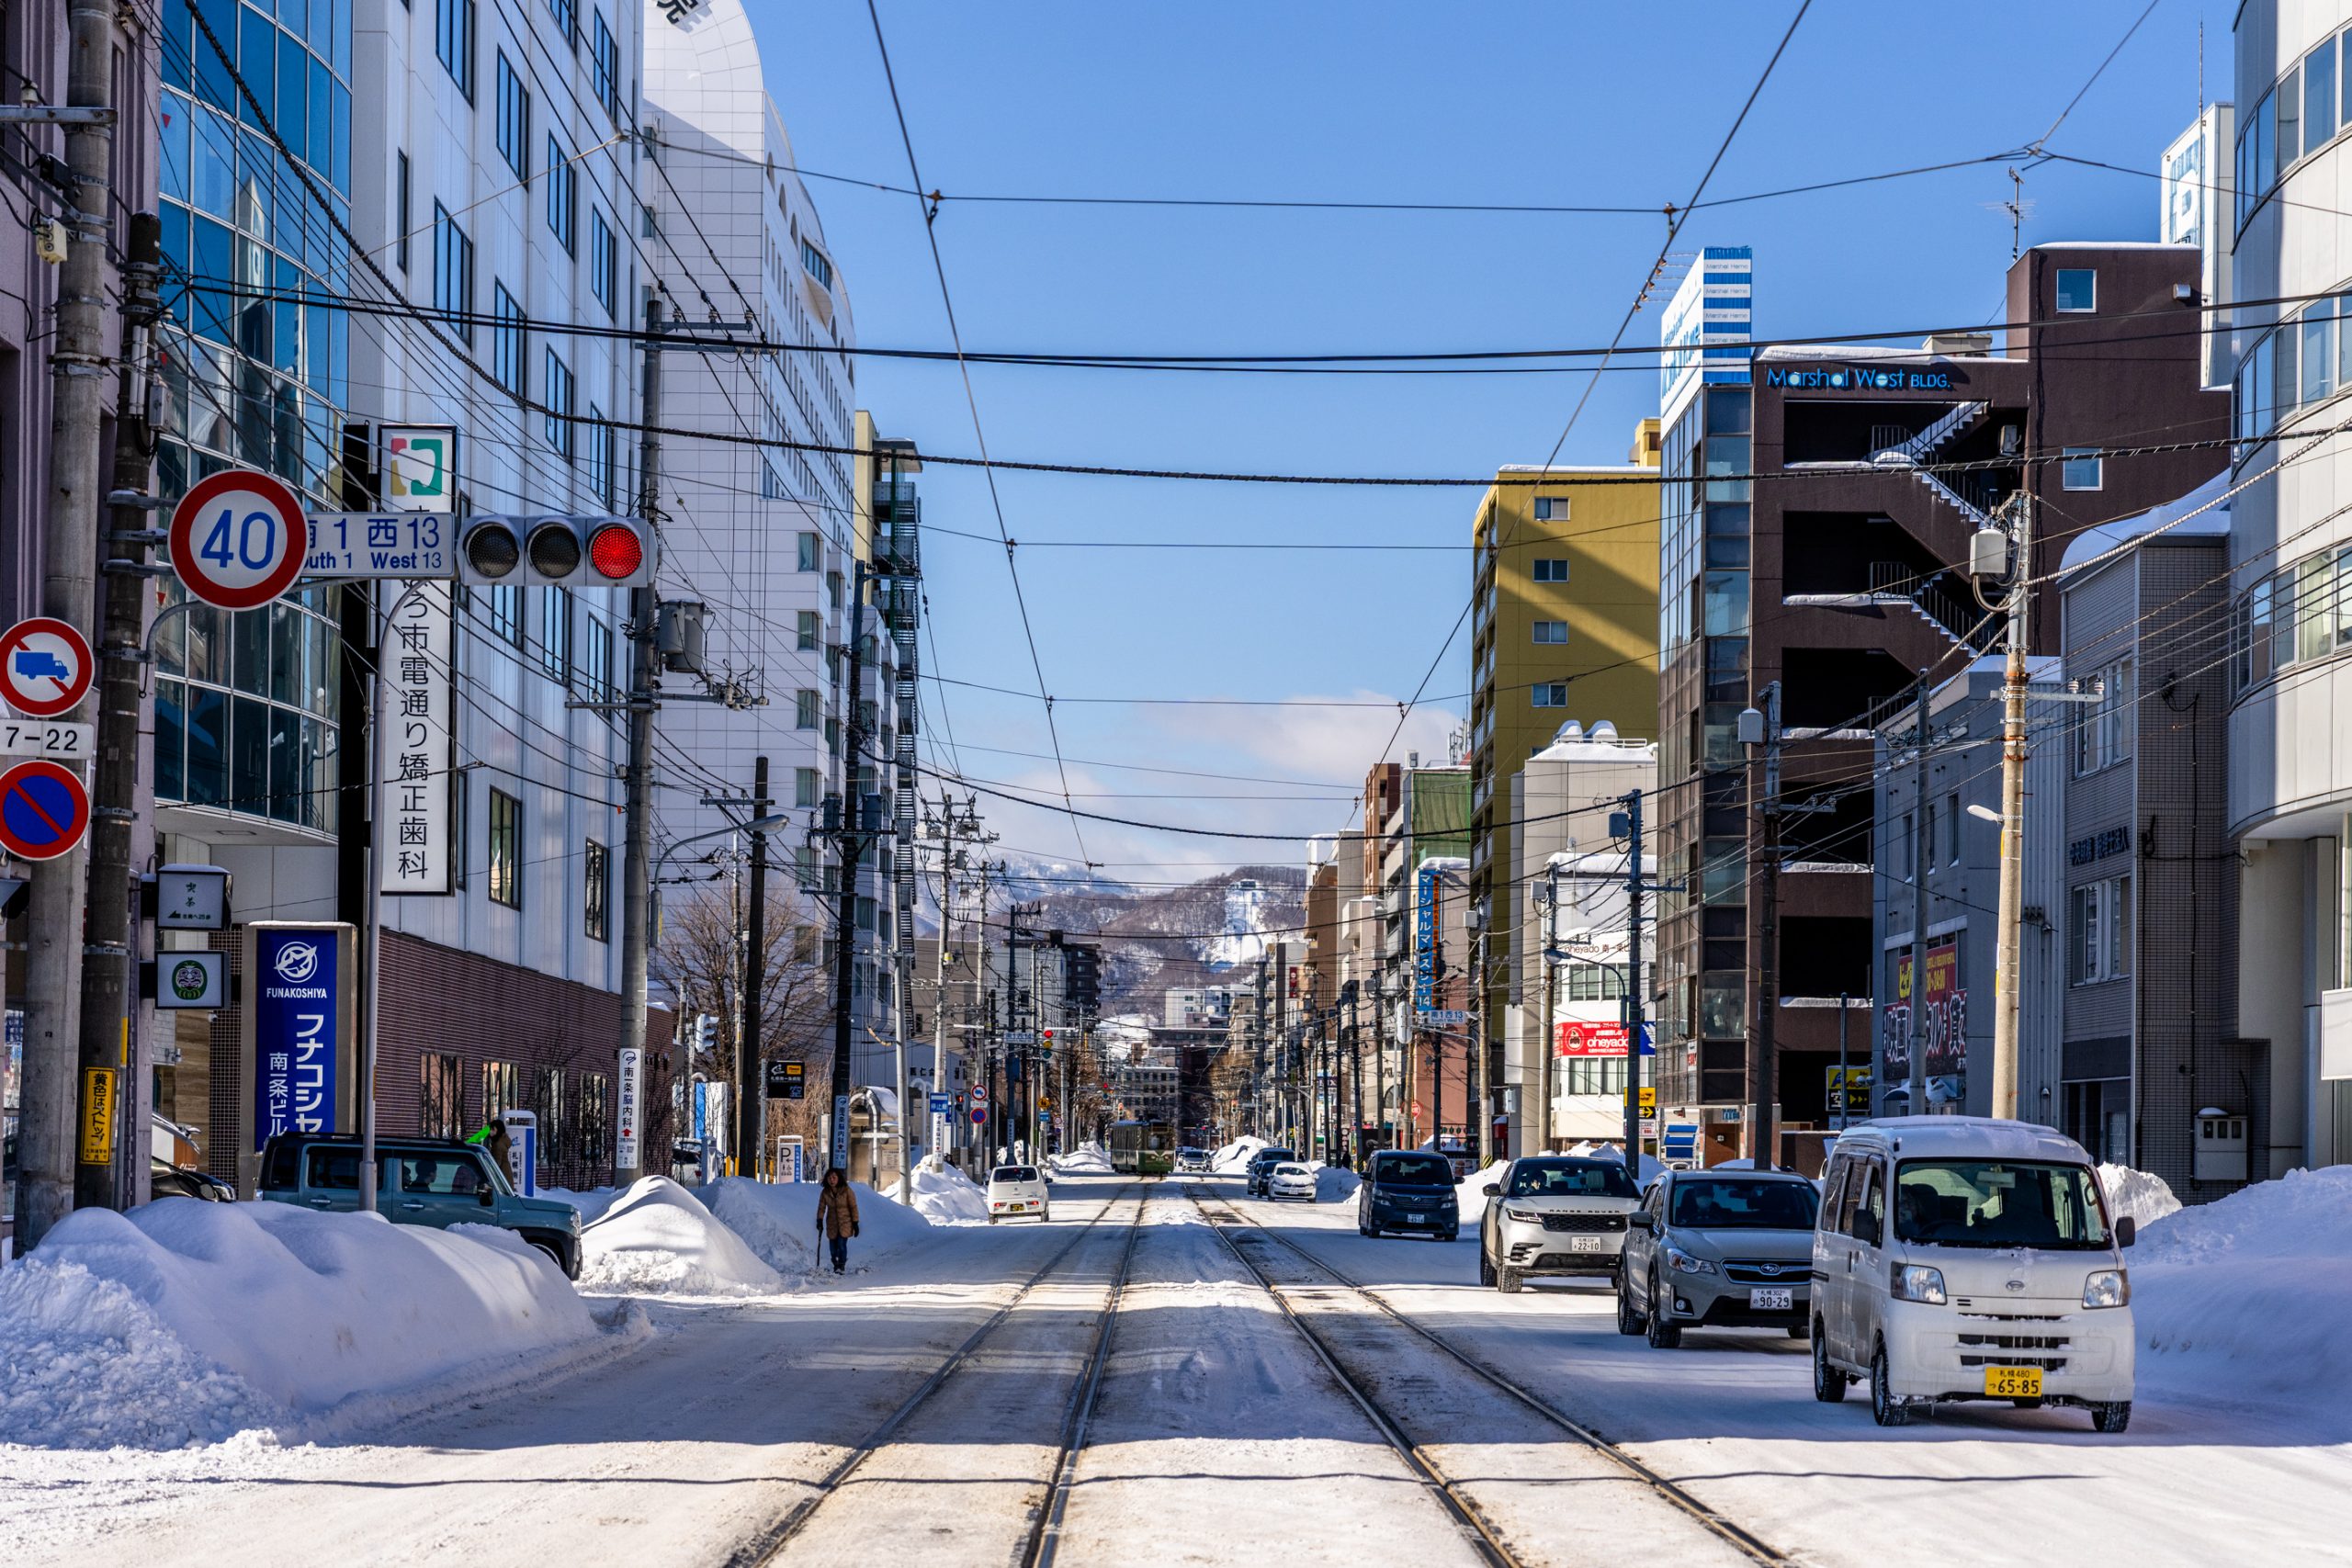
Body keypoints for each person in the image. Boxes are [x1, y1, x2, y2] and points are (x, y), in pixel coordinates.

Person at [815, 1168, 860, 1275]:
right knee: (832, 1248)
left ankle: (841, 1264)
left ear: (839, 1178)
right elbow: (821, 1207)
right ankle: (835, 1264)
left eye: (834, 1177)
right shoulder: (825, 1192)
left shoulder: (847, 1190)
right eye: (829, 1178)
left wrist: (855, 1223)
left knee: (841, 1244)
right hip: (832, 1223)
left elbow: (853, 1207)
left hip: (846, 1222)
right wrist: (819, 1220)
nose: (832, 1180)